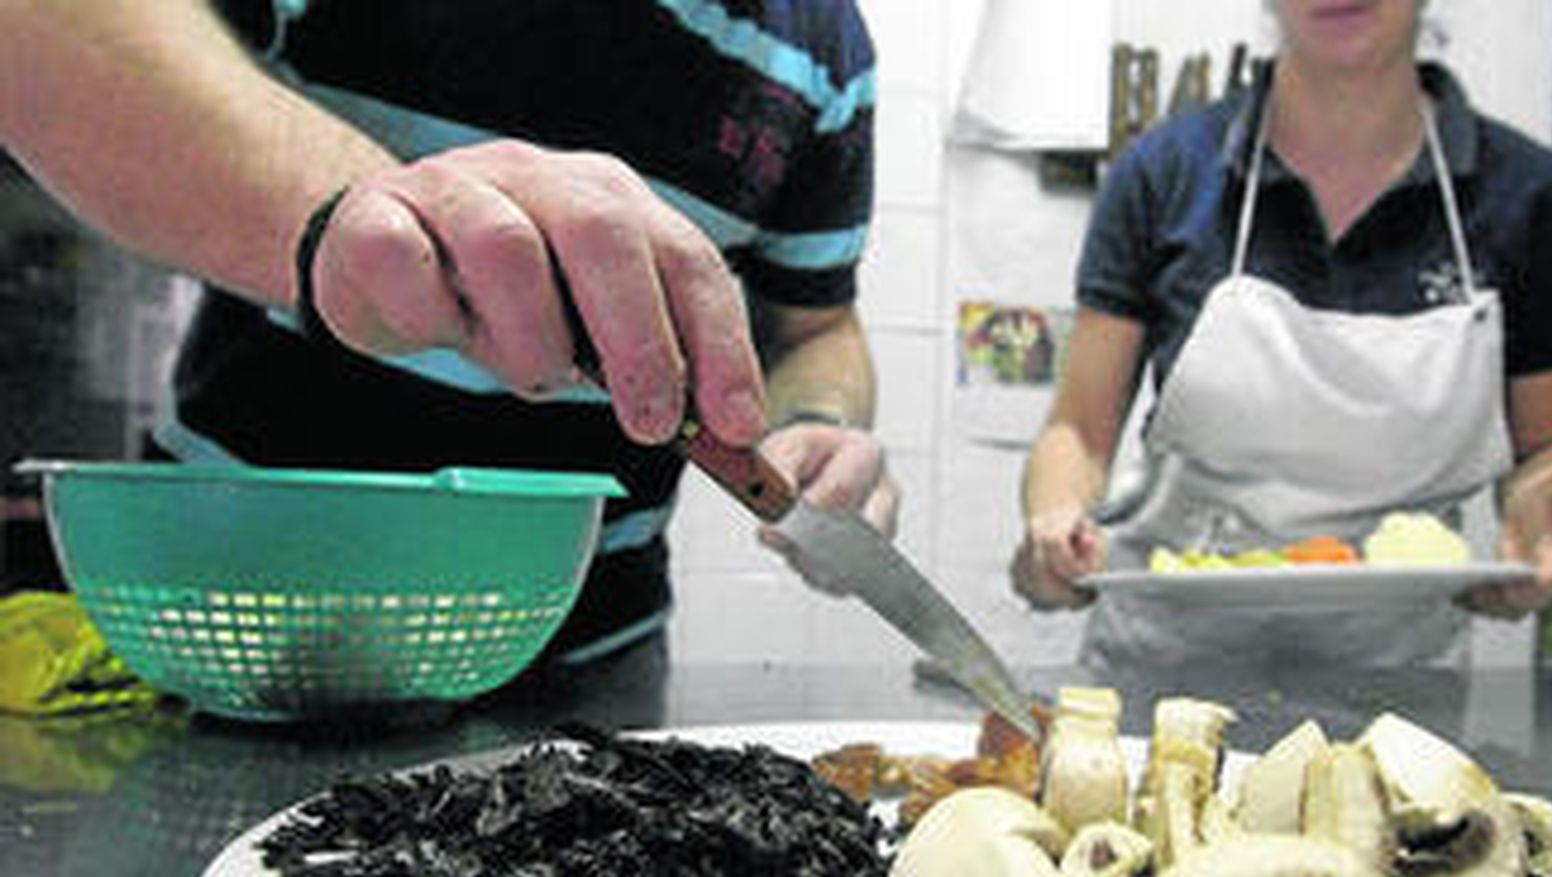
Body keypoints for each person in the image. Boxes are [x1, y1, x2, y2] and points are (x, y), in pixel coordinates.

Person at [0, 0, 895, 666]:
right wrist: (357, 220)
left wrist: (818, 422)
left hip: (588, 664)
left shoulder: (830, 48)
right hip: (228, 635)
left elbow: (816, 324)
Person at [1010, 0, 1552, 668]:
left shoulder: (1532, 199)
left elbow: (1548, 447)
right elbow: (1080, 430)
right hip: (1165, 673)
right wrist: (1054, 520)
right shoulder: (1163, 174)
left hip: (1400, 692)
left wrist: (1542, 517)